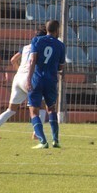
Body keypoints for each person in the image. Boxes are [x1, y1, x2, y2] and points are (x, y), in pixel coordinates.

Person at [0, 27, 48, 139]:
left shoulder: (25, 47)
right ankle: (36, 133)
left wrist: (19, 70)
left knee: (11, 109)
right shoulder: (41, 49)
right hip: (28, 79)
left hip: (18, 78)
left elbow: (13, 60)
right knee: (42, 106)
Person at [27, 20, 66, 149]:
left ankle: (43, 141)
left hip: (37, 79)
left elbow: (32, 60)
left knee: (34, 111)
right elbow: (61, 66)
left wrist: (28, 78)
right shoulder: (61, 45)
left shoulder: (37, 40)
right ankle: (55, 140)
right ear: (57, 31)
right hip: (51, 80)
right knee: (51, 109)